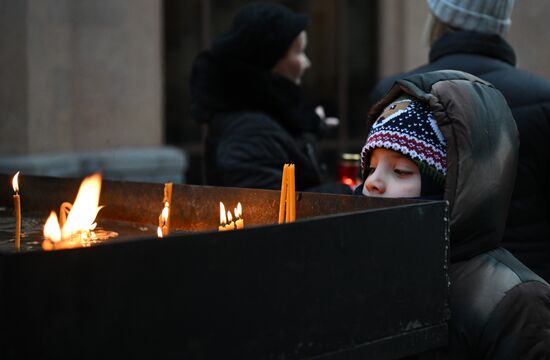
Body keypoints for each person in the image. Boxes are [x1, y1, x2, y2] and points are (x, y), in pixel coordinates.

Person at [358, 70, 550, 358]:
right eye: (371, 168)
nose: (371, 182)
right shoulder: (362, 267)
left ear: (449, 186)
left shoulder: (516, 301)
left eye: (400, 171)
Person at [368, 0, 550, 282]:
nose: (372, 181)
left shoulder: (400, 92)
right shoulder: (542, 96)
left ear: (439, 17)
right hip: (532, 276)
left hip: (421, 273)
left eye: (401, 170)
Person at [190, 2, 346, 193]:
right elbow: (267, 211)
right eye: (298, 52)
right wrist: (346, 194)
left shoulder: (271, 109)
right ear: (270, 60)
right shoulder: (248, 134)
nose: (307, 63)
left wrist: (312, 129)